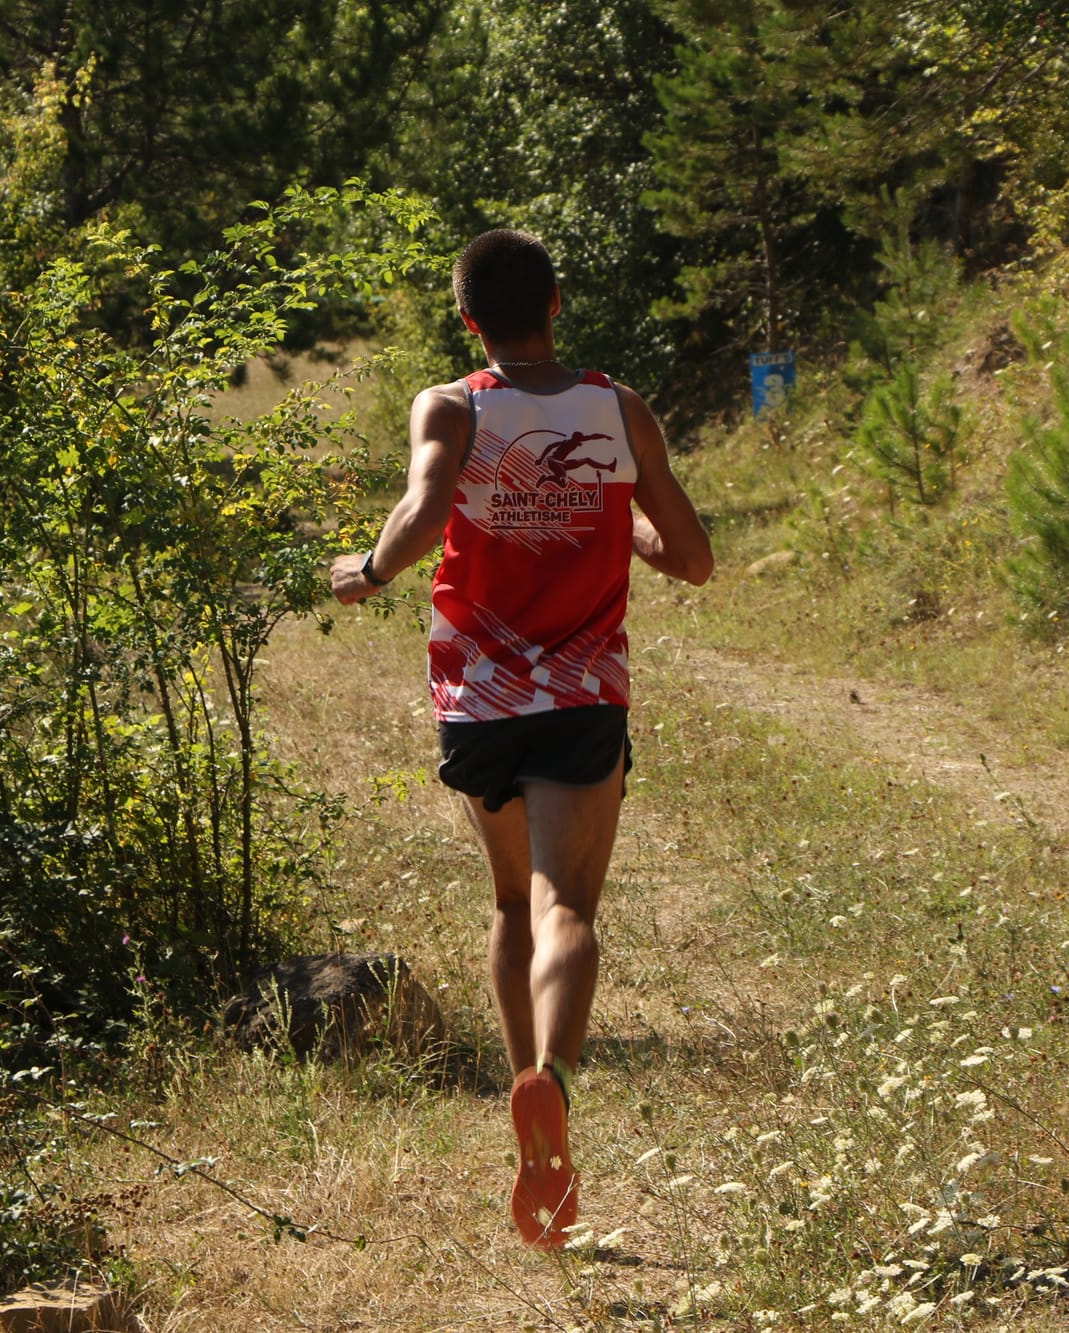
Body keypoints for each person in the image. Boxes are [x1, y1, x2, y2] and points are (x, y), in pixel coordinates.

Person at [330, 229, 713, 1249]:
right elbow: (694, 559)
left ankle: (521, 1096)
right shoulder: (617, 406)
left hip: (477, 700)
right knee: (566, 906)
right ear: (555, 302)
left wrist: (362, 571)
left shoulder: (451, 404)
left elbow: (422, 506)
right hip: (582, 693)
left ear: (468, 319)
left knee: (508, 900)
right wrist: (624, 525)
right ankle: (552, 1082)